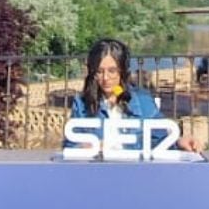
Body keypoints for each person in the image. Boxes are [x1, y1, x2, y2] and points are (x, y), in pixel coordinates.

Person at [68, 37, 201, 151]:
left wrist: (179, 143)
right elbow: (69, 146)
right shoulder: (81, 104)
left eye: (112, 71)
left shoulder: (142, 101)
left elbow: (161, 140)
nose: (105, 78)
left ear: (122, 71)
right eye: (99, 71)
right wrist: (86, 147)